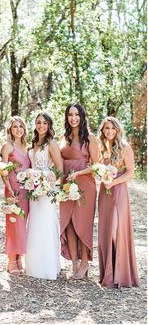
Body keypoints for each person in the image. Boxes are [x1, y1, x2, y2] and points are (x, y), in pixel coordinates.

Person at [98, 116, 140, 288]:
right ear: (102, 130)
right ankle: (108, 273)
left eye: (112, 128)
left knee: (116, 230)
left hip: (118, 191)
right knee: (107, 231)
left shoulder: (125, 148)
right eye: (106, 128)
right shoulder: (101, 148)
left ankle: (120, 273)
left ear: (117, 130)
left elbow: (130, 172)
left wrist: (113, 182)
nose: (109, 131)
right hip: (105, 193)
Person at [60, 103, 99, 279]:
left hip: (84, 184)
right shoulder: (64, 137)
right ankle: (74, 262)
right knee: (68, 223)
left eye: (76, 114)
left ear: (82, 116)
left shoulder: (90, 138)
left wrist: (78, 173)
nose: (73, 118)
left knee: (82, 224)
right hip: (66, 183)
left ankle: (84, 262)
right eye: (70, 115)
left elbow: (97, 166)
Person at [25, 112, 63, 280]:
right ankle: (34, 265)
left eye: (44, 123)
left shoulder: (51, 143)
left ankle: (47, 267)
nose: (41, 125)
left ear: (49, 126)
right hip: (33, 190)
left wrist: (45, 182)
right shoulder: (33, 143)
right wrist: (33, 180)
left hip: (47, 190)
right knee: (35, 225)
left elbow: (59, 169)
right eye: (38, 122)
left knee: (46, 225)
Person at [1, 116, 30, 275]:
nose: (18, 129)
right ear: (10, 130)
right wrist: (8, 189)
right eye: (15, 127)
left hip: (27, 190)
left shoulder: (27, 146)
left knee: (22, 224)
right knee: (14, 223)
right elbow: (3, 171)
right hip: (13, 189)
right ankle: (12, 259)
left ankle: (20, 258)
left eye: (21, 126)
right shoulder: (8, 146)